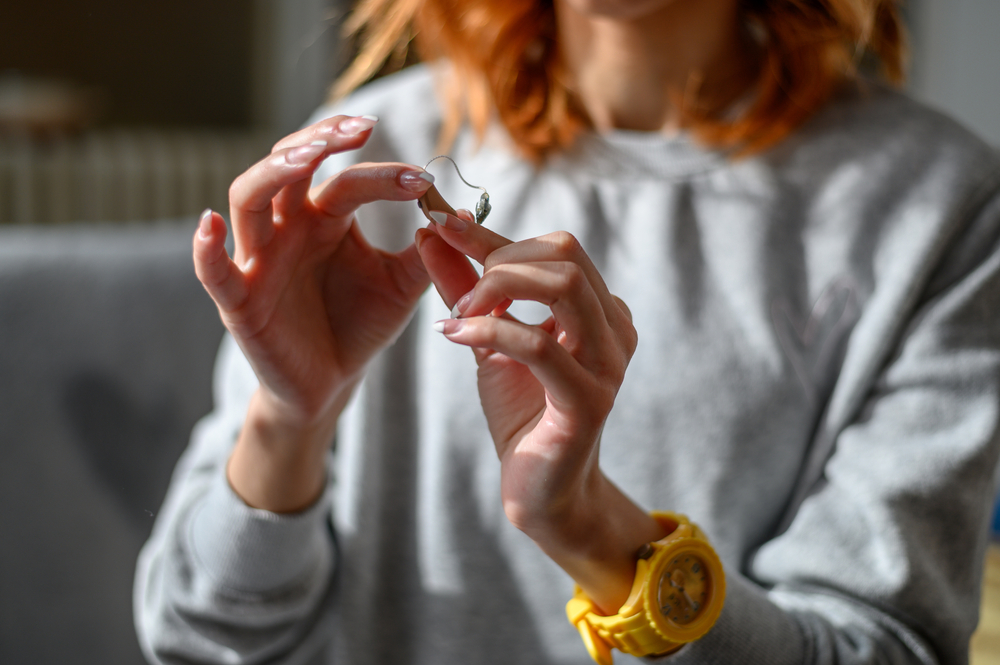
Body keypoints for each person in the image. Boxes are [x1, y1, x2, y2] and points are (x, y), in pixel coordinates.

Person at [134, 0, 1000, 663]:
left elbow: (884, 646)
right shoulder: (367, 163)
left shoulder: (938, 207)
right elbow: (196, 633)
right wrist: (290, 419)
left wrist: (588, 525)